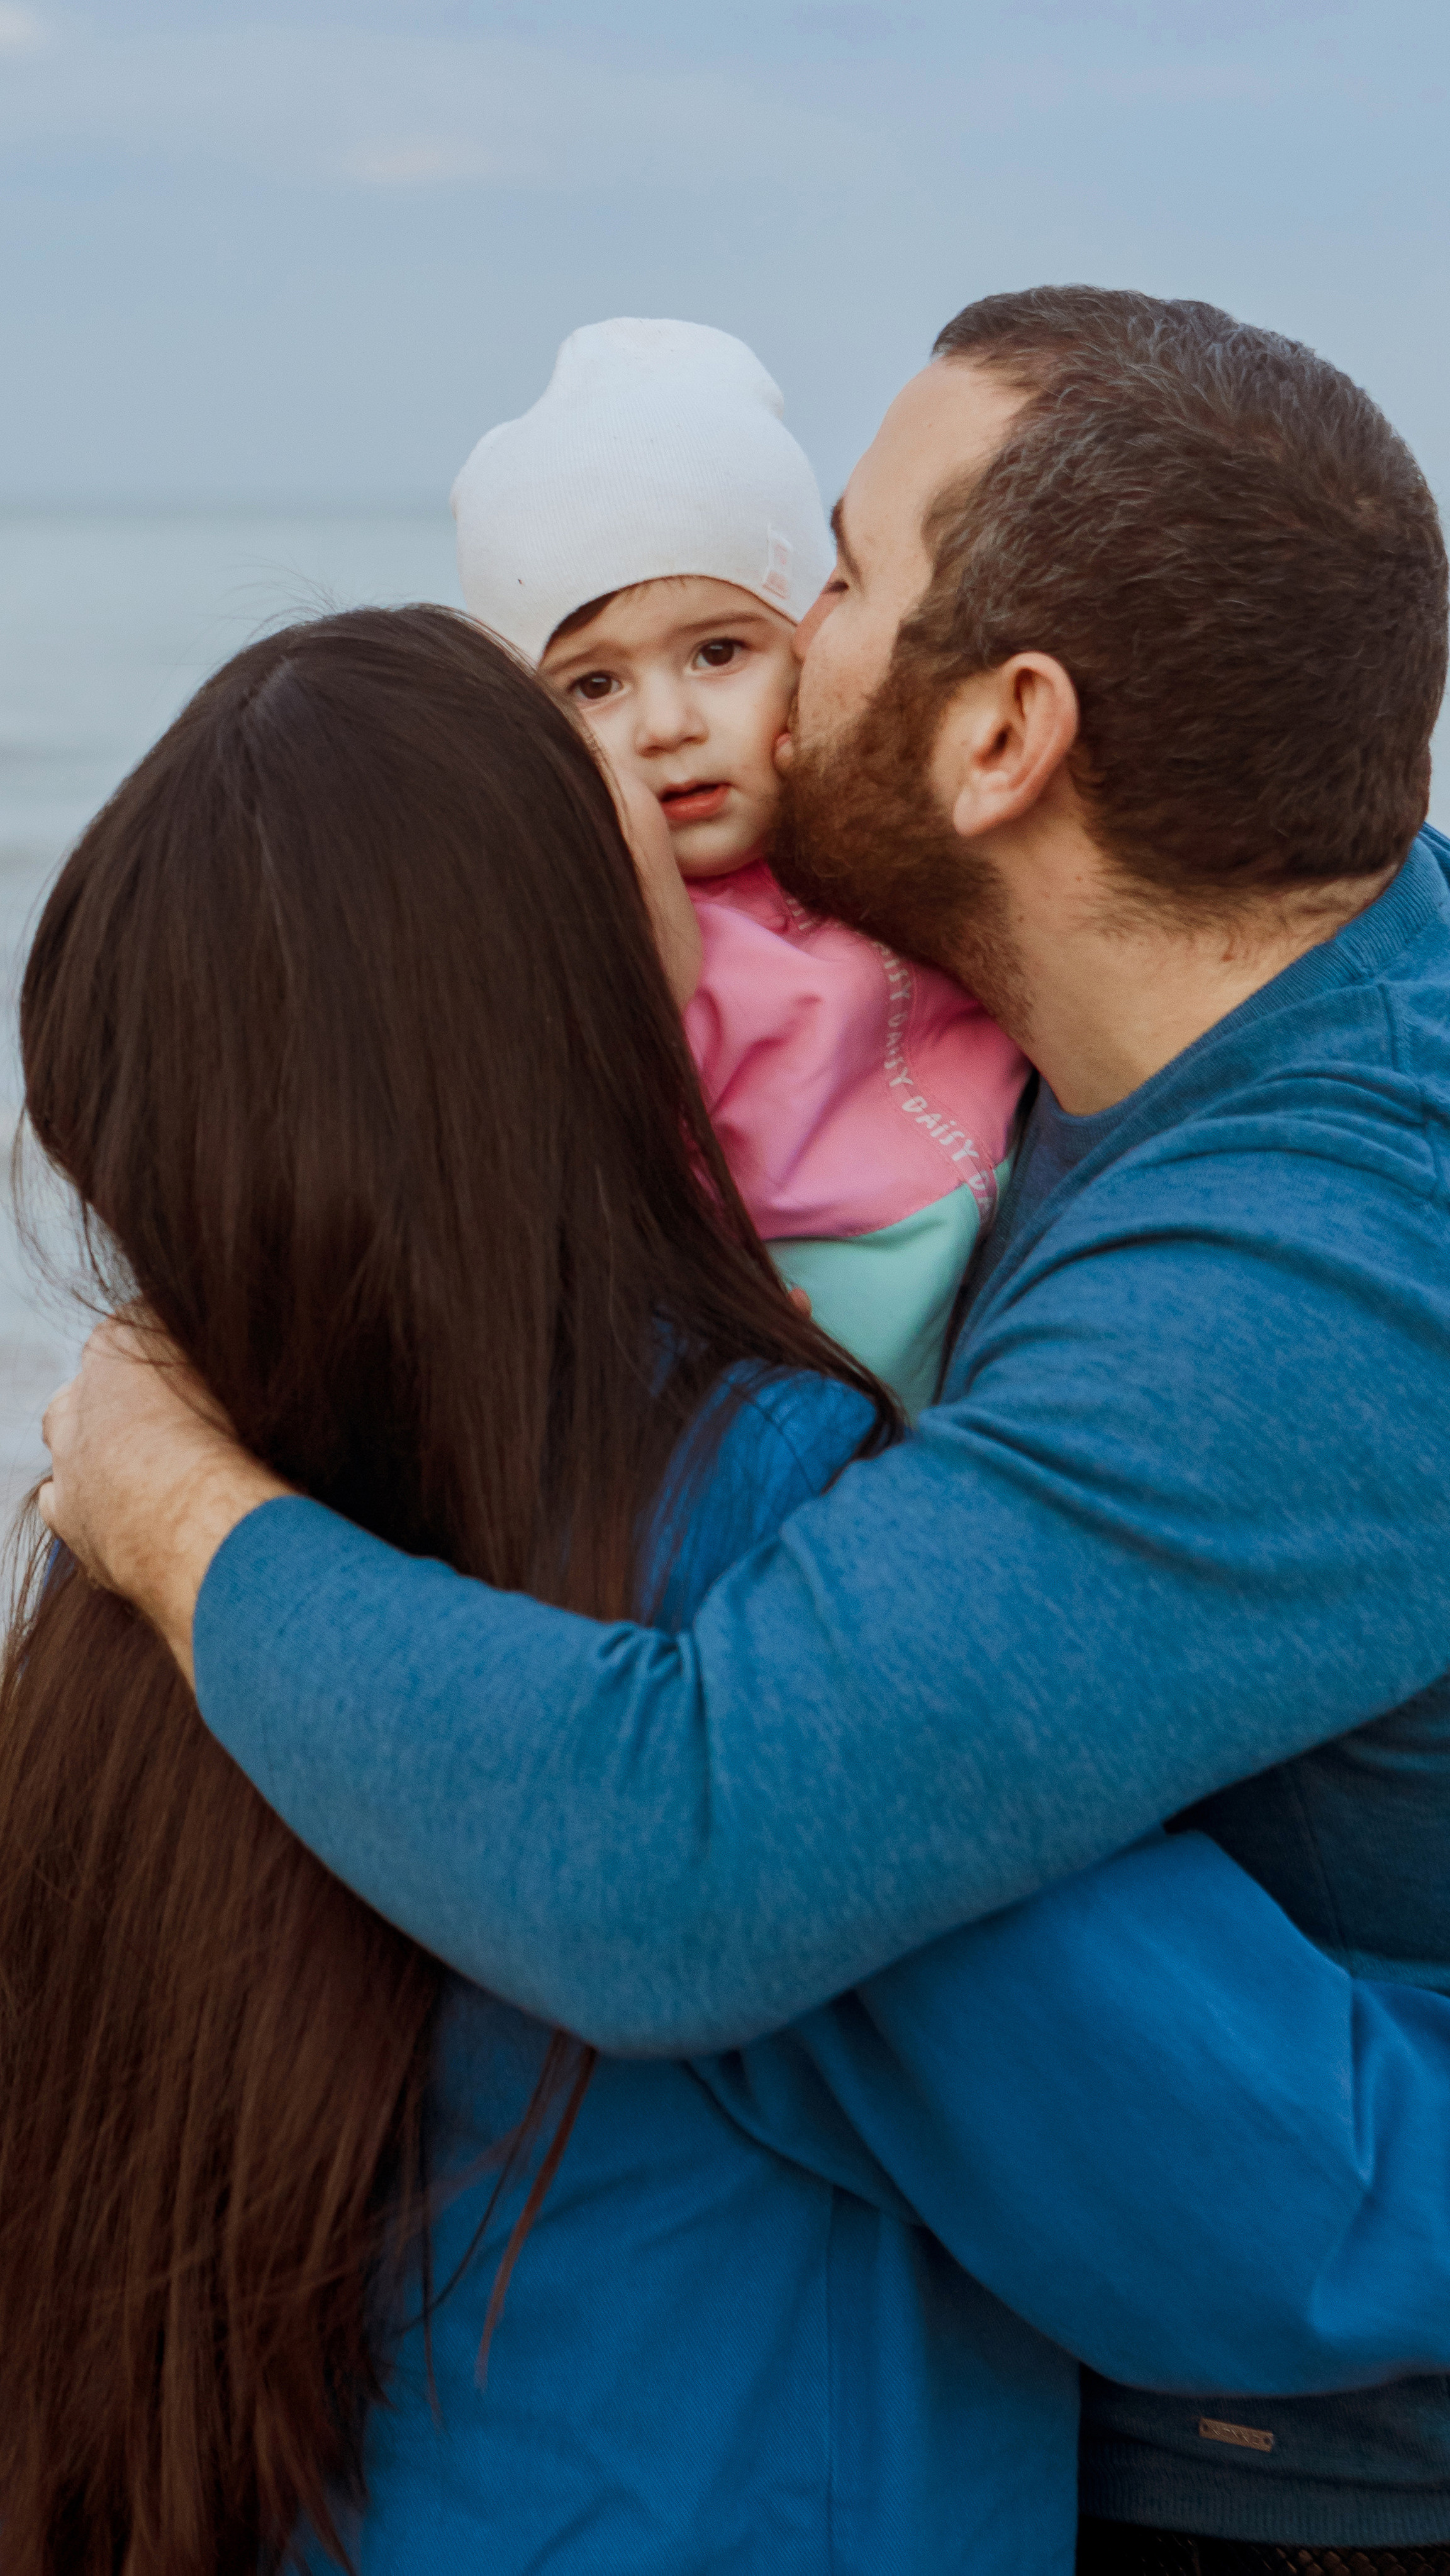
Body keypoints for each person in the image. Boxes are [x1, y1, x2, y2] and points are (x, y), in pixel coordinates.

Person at [39, 286, 1450, 2568]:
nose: (768, 664)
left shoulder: (1279, 1280)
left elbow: (689, 1850)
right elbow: (1273, 2189)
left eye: (837, 580)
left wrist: (168, 1504)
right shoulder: (785, 1447)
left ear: (1004, 737)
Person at [454, 316, 1026, 1411]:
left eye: (719, 653)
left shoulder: (898, 834)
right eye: (593, 685)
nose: (667, 725)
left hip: (1018, 1297)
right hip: (793, 1363)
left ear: (810, 641)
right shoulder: (616, 941)